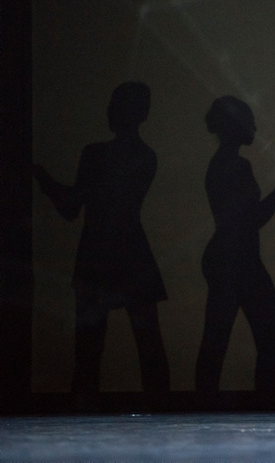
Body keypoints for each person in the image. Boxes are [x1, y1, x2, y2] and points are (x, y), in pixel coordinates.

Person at [34, 82, 170, 397]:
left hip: (97, 256)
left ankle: (84, 412)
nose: (109, 110)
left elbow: (71, 207)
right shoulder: (146, 157)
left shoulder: (96, 154)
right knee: (149, 348)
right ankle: (163, 411)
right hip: (133, 254)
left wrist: (43, 179)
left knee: (89, 352)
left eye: (114, 105)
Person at [195, 96, 275, 394]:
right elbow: (249, 220)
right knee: (267, 338)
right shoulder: (233, 166)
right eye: (249, 120)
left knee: (218, 337)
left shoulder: (222, 164)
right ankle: (264, 404)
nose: (255, 126)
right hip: (237, 259)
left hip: (230, 258)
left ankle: (207, 402)